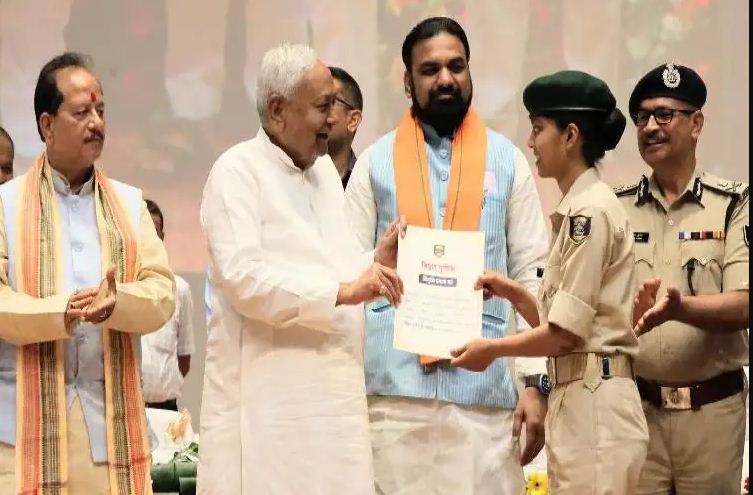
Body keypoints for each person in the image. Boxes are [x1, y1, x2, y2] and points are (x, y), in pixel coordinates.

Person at [345, 17, 550, 495]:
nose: (445, 79)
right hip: (393, 399)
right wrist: (378, 260)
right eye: (430, 69)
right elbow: (345, 271)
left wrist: (535, 382)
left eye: (456, 66)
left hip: (485, 400)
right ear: (407, 82)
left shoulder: (508, 161)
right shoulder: (375, 162)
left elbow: (533, 275)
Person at [198, 43, 405, 495]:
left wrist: (376, 261)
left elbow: (338, 268)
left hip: (337, 405)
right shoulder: (236, 171)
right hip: (272, 412)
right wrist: (343, 292)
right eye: (323, 106)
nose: (333, 118)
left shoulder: (325, 174)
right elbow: (244, 279)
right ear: (278, 110)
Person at [451, 70, 649, 494]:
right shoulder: (577, 209)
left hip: (596, 407)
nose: (530, 142)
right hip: (581, 399)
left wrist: (492, 349)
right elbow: (560, 318)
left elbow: (563, 334)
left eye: (538, 129)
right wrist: (514, 294)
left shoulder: (589, 214)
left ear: (570, 136)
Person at [0, 52, 175, 494]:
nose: (96, 123)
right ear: (47, 125)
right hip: (17, 432)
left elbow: (162, 292)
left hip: (109, 431)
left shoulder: (130, 204)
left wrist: (120, 303)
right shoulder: (5, 204)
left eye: (101, 111)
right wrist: (59, 312)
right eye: (81, 113)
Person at [621, 63, 749, 494]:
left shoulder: (734, 203)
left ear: (696, 124)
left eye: (664, 114)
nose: (650, 127)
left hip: (711, 416)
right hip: (637, 412)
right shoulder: (616, 208)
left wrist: (680, 309)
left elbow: (745, 304)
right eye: (642, 117)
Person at [141, 199, 195, 411]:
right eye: (144, 231)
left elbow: (184, 359)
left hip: (166, 409)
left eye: (155, 233)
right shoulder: (118, 288)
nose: (150, 239)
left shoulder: (179, 289)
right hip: (125, 410)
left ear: (162, 238)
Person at [328, 66, 363, 188]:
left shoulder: (367, 183)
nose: (318, 110)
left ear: (353, 120)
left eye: (328, 101)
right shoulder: (291, 177)